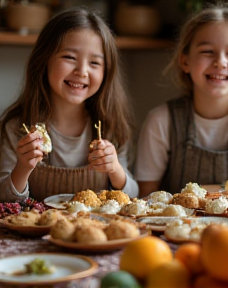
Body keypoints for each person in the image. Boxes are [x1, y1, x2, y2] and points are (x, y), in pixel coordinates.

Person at [135, 3, 228, 197]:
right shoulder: (160, 121)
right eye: (207, 51)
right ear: (185, 61)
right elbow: (146, 195)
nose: (220, 62)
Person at [0, 7, 139, 202]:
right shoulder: (17, 128)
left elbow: (132, 195)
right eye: (69, 58)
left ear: (106, 72)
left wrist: (115, 169)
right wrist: (22, 168)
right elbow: (3, 200)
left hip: (95, 229)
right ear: (44, 60)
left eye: (94, 63)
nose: (82, 71)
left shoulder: (110, 127)